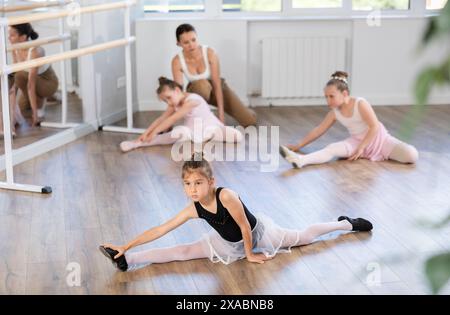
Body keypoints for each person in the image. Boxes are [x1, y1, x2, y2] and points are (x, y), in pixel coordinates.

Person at [99, 153, 373, 272]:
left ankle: (345, 224)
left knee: (303, 237)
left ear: (211, 182)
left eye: (198, 183)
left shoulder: (226, 196)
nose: (193, 190)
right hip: (226, 243)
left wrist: (251, 253)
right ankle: (128, 260)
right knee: (181, 251)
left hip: (258, 235)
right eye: (187, 184)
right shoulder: (194, 208)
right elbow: (161, 229)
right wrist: (126, 244)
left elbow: (243, 225)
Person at [280, 71, 419, 169]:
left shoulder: (360, 104)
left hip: (379, 141)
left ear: (344, 93)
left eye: (331, 96)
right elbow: (318, 130)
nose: (328, 100)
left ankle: (396, 148)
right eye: (326, 97)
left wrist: (362, 147)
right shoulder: (335, 112)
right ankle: (300, 160)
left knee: (411, 156)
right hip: (357, 142)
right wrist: (298, 146)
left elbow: (374, 127)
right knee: (331, 149)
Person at [119, 77, 243, 153]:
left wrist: (154, 132)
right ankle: (136, 144)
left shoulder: (193, 100)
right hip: (191, 131)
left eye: (168, 98)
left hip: (212, 127)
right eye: (165, 101)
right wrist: (145, 134)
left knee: (237, 136)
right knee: (176, 133)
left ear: (177, 91)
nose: (168, 102)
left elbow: (173, 118)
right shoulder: (175, 103)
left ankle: (209, 137)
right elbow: (162, 118)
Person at [172, 23, 257, 128]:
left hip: (217, 88)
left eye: (194, 40)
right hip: (197, 91)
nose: (191, 45)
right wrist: (170, 121)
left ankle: (247, 112)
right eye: (186, 42)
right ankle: (203, 120)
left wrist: (220, 114)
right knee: (201, 84)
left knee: (250, 122)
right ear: (178, 43)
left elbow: (217, 85)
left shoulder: (210, 53)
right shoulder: (177, 61)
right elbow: (178, 93)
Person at [9, 23, 59, 126]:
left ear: (23, 37)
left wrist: (35, 115)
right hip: (31, 80)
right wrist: (13, 108)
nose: (9, 38)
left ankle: (46, 98)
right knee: (22, 111)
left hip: (48, 82)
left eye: (12, 35)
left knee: (19, 75)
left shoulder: (35, 51)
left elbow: (30, 85)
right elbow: (14, 74)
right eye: (9, 35)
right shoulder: (14, 48)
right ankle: (46, 99)